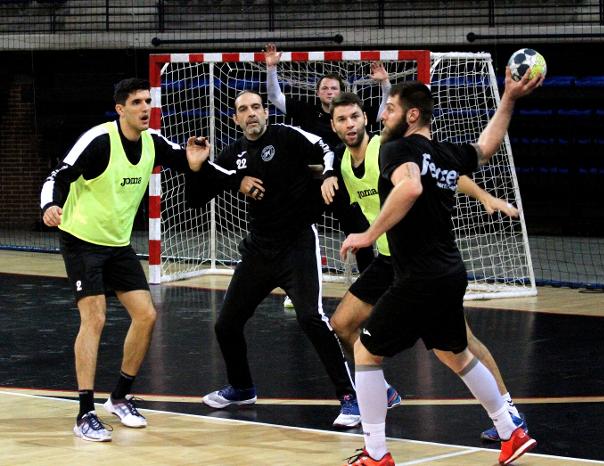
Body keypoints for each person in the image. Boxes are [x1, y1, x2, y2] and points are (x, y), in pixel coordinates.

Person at [339, 71, 542, 465]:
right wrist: (509, 99)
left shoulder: (397, 149)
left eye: (391, 108)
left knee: (365, 350)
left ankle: (376, 454)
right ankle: (510, 432)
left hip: (418, 276)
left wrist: (367, 235)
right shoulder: (447, 154)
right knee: (456, 354)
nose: (382, 116)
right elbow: (486, 146)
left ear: (412, 116)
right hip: (449, 271)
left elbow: (410, 188)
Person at [40, 78, 237, 442]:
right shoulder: (99, 140)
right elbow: (59, 176)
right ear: (120, 109)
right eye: (136, 102)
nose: (146, 108)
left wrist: (203, 165)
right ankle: (84, 412)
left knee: (146, 315)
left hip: (117, 244)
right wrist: (50, 205)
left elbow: (187, 160)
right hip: (81, 240)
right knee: (94, 317)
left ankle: (119, 396)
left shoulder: (153, 142)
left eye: (148, 101)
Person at [184, 89, 360, 428]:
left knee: (311, 318)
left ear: (265, 112)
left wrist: (328, 174)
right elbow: (196, 199)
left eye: (255, 107)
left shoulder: (286, 135)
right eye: (243, 110)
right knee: (226, 324)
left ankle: (349, 398)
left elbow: (326, 148)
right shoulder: (232, 153)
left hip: (296, 245)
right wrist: (197, 168)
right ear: (235, 119)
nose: (250, 114)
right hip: (259, 250)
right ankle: (241, 387)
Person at [264, 42, 389, 302]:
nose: (329, 91)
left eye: (334, 88)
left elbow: (382, 113)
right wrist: (271, 68)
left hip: (344, 181)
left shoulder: (354, 116)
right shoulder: (306, 110)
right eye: (324, 87)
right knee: (299, 231)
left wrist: (385, 84)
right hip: (311, 184)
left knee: (358, 230)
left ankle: (371, 286)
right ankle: (296, 287)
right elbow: (275, 98)